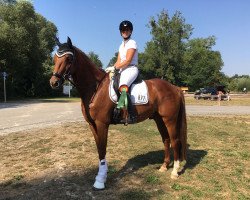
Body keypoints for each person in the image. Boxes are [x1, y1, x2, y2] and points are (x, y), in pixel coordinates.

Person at [105, 20, 139, 124]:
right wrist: (111, 67)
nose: (125, 32)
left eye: (127, 30)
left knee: (122, 87)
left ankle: (131, 114)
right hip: (122, 69)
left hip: (131, 68)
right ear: (120, 32)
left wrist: (115, 68)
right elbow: (119, 61)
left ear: (131, 31)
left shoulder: (132, 43)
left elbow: (128, 60)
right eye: (123, 30)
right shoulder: (121, 45)